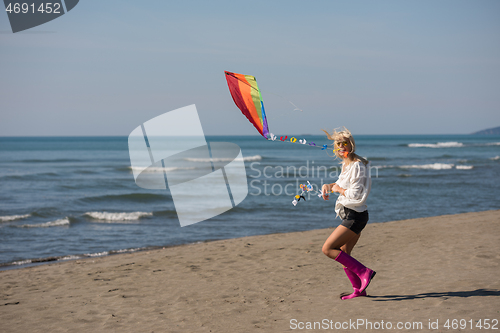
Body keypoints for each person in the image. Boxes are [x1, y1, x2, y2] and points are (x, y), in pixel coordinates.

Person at [320, 127, 375, 300]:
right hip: (352, 215)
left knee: (328, 249)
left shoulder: (357, 166)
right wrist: (328, 186)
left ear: (351, 145)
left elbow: (355, 194)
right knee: (344, 252)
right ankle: (359, 289)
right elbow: (340, 184)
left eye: (345, 143)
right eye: (338, 144)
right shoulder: (347, 164)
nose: (341, 147)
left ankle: (364, 272)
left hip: (354, 216)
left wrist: (338, 189)